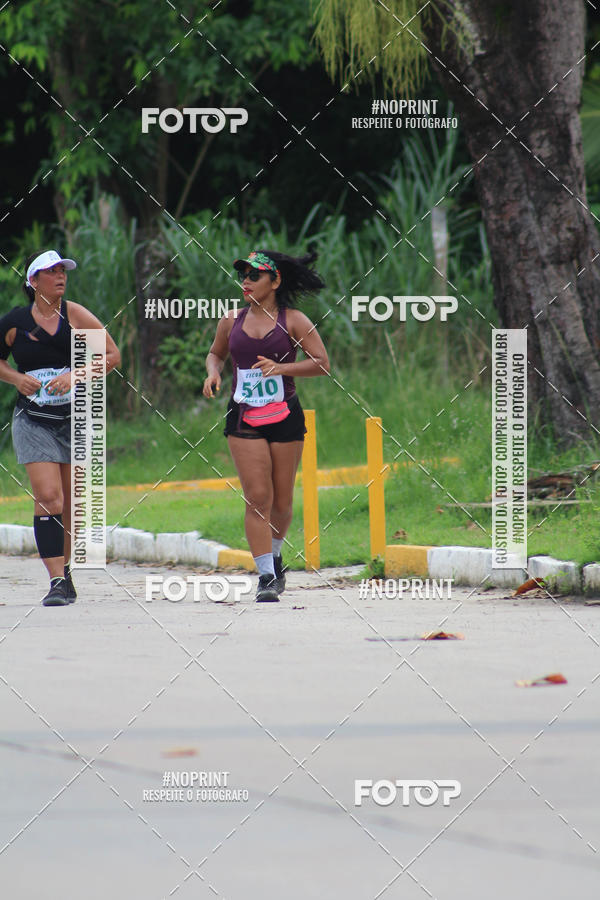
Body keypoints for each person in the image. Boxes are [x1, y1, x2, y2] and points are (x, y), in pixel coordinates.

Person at [203, 249, 330, 602]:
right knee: (257, 496)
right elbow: (216, 353)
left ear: (274, 282)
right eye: (242, 274)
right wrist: (213, 371)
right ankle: (266, 576)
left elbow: (321, 363)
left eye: (254, 275)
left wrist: (283, 368)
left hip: (285, 415)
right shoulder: (231, 320)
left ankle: (275, 554)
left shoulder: (295, 321)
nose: (245, 281)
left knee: (282, 500)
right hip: (243, 416)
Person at [0, 249, 121, 606]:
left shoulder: (76, 314)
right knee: (49, 496)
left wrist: (76, 375)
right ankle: (55, 580)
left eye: (62, 271)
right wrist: (15, 379)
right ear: (33, 281)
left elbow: (112, 355)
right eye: (51, 272)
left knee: (69, 504)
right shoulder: (14, 322)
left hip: (74, 419)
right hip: (33, 420)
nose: (60, 277)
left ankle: (65, 571)